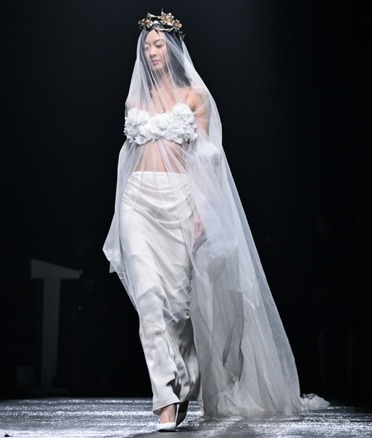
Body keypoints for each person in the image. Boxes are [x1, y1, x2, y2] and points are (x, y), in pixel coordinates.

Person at [102, 11, 327, 432]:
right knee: (149, 299)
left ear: (172, 47)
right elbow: (125, 159)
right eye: (146, 45)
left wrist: (204, 212)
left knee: (176, 307)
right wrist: (119, 210)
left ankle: (187, 379)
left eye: (158, 44)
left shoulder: (193, 97)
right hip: (138, 201)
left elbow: (206, 159)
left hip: (180, 201)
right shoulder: (134, 101)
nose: (151, 51)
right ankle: (164, 398)